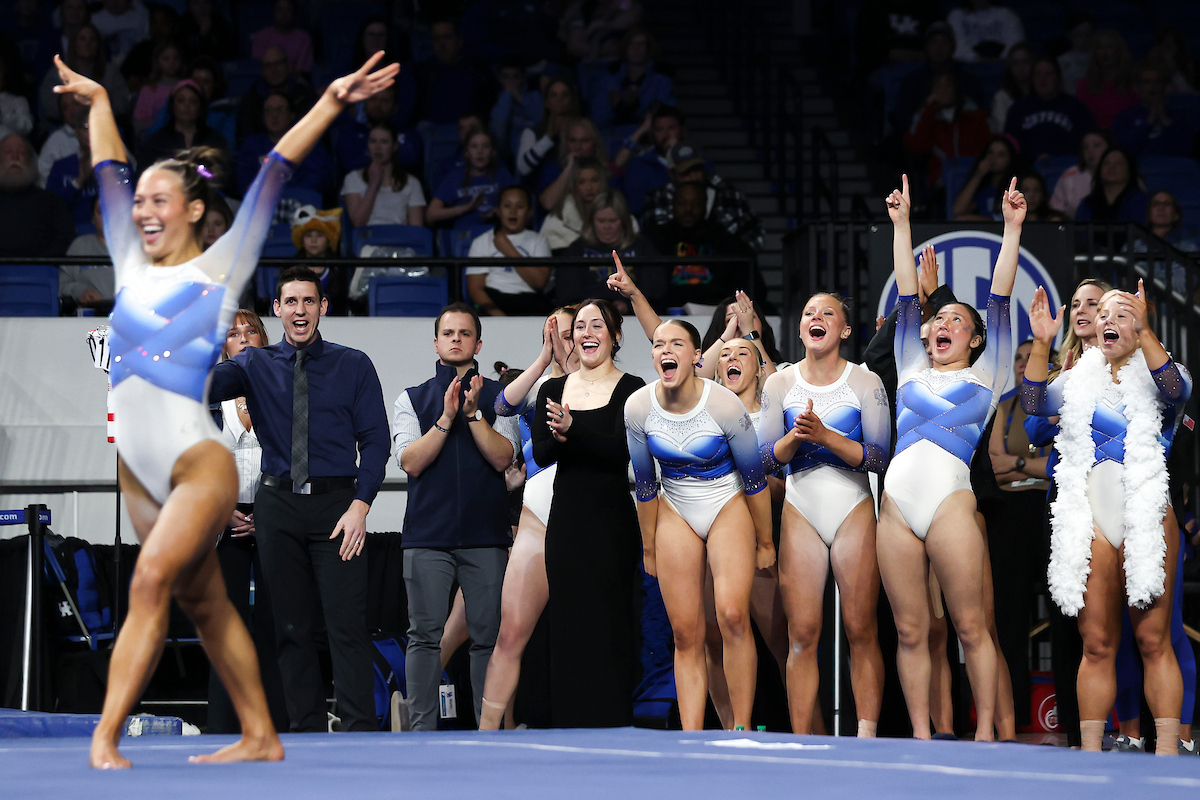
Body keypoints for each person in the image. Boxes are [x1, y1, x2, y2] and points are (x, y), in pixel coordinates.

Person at [53, 50, 398, 767]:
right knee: (207, 606)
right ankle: (261, 733)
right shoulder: (126, 250)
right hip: (138, 463)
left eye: (159, 200)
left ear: (197, 210)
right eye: (140, 201)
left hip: (194, 459)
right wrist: (100, 107)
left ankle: (105, 739)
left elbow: (275, 168)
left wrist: (333, 99)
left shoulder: (223, 266)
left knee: (150, 581)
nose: (142, 209)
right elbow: (111, 169)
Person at [881, 174, 1023, 740]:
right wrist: (902, 226)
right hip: (894, 506)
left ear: (975, 339)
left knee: (971, 627)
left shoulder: (989, 375)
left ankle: (985, 734)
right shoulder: (911, 364)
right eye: (938, 319)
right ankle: (920, 735)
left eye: (955, 321)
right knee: (912, 632)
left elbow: (1001, 296)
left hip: (950, 504)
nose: (941, 324)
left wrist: (1012, 227)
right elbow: (906, 294)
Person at [1022, 279, 1191, 754]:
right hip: (1090, 523)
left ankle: (1165, 753)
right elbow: (1033, 406)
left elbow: (1176, 390)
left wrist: (1146, 332)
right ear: (1093, 327)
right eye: (1106, 315)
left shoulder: (1162, 373)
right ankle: (1092, 753)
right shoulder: (1077, 379)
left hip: (1148, 518)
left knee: (1154, 641)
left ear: (1139, 324)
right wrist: (1040, 344)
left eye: (1123, 313)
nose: (1111, 321)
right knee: (1096, 644)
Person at [625, 319, 773, 731]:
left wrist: (765, 540)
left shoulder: (724, 404)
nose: (665, 350)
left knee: (731, 615)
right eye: (658, 344)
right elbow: (646, 485)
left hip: (727, 502)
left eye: (676, 343)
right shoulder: (637, 407)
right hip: (674, 506)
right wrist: (649, 548)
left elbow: (755, 478)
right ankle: (691, 737)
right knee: (687, 632)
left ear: (696, 356)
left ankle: (740, 729)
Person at [758, 293, 889, 736]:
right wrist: (796, 439)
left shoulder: (865, 382)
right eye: (808, 312)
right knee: (802, 635)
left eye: (827, 313)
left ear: (845, 331)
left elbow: (879, 458)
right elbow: (763, 462)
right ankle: (802, 741)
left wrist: (827, 437)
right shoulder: (779, 384)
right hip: (801, 507)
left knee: (860, 628)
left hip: (852, 504)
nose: (816, 318)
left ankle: (866, 739)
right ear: (800, 329)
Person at [393, 303, 520, 730]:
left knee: (489, 640)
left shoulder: (501, 397)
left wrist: (472, 414)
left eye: (465, 333)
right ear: (436, 342)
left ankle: (490, 732)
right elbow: (409, 461)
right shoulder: (411, 397)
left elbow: (505, 458)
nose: (456, 339)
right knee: (424, 638)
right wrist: (447, 417)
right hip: (427, 536)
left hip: (486, 535)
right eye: (448, 333)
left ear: (478, 343)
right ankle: (420, 731)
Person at [531, 298, 646, 726]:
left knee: (610, 622)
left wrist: (573, 429)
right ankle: (568, 721)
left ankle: (614, 719)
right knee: (568, 622)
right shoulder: (551, 389)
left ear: (615, 336)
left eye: (598, 325)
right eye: (580, 326)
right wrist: (561, 434)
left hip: (610, 520)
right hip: (566, 521)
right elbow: (542, 453)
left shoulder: (633, 386)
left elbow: (623, 451)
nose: (587, 333)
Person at [478, 309, 579, 730]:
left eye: (570, 333)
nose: (562, 340)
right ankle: (487, 734)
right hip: (537, 513)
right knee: (511, 632)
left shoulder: (610, 384)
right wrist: (544, 357)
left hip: (587, 513)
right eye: (550, 333)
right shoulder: (539, 384)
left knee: (581, 636)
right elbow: (502, 402)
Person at [206, 309, 288, 736]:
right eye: (233, 333)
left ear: (263, 337)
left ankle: (280, 722)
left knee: (278, 627)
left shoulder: (285, 386)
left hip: (277, 516)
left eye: (250, 330)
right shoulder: (207, 396)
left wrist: (268, 515)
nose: (242, 337)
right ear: (224, 346)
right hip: (223, 522)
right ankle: (223, 726)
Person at [646, 181, 757, 308]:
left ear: (705, 206)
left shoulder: (725, 240)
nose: (688, 209)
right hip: (667, 310)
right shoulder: (657, 238)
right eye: (682, 203)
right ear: (673, 205)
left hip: (716, 309)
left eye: (696, 204)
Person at [642, 142, 765, 254]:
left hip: (723, 272)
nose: (693, 177)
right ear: (672, 174)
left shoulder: (728, 194)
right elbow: (651, 242)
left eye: (697, 170)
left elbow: (754, 232)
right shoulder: (658, 198)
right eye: (686, 173)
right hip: (672, 272)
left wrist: (737, 256)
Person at [559, 189, 664, 310]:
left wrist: (628, 305)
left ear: (624, 221)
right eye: (601, 221)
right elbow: (567, 294)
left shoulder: (643, 247)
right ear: (592, 221)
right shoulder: (576, 250)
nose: (607, 226)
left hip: (634, 316)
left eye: (613, 220)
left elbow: (655, 290)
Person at [466, 185, 552, 316]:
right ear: (498, 211)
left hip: (529, 303)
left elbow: (539, 281)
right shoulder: (481, 241)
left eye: (520, 207)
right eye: (507, 206)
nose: (513, 212)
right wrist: (500, 318)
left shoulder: (539, 241)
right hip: (494, 303)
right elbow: (475, 289)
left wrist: (509, 250)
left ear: (529, 212)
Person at [903, 70, 993, 191]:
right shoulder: (924, 116)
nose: (943, 91)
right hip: (941, 180)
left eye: (948, 86)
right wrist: (929, 110)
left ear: (956, 90)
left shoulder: (974, 114)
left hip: (974, 173)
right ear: (931, 92)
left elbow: (989, 143)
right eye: (938, 87)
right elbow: (917, 147)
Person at [238, 90, 334, 200]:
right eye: (269, 110)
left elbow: (318, 180)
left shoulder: (309, 143)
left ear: (291, 115)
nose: (274, 115)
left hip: (301, 203)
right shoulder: (252, 145)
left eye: (280, 110)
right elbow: (244, 180)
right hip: (262, 205)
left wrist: (284, 193)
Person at [137, 80, 232, 182]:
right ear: (173, 106)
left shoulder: (215, 140)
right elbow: (144, 176)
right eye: (181, 101)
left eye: (193, 101)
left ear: (200, 107)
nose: (187, 106)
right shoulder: (156, 141)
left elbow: (226, 177)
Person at [39, 22, 130, 125]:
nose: (88, 43)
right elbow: (48, 105)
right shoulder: (58, 72)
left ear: (98, 45)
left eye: (93, 39)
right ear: (74, 44)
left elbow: (123, 104)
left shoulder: (111, 72)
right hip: (66, 128)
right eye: (82, 39)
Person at [1004, 58, 1095, 161]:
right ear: (1032, 78)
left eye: (1048, 74)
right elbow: (1010, 145)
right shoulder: (1018, 109)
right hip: (1027, 169)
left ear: (1057, 78)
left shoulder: (1076, 108)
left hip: (1067, 167)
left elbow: (1086, 143)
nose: (1042, 79)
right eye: (1038, 74)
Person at [341, 119, 426, 228]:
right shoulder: (352, 178)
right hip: (368, 241)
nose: (378, 147)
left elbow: (416, 230)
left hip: (401, 241)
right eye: (373, 141)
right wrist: (373, 184)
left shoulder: (412, 183)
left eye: (384, 141)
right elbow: (358, 223)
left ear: (394, 146)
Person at [0, 133, 74, 257]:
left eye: (22, 153)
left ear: (30, 161)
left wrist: (38, 263)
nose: (15, 157)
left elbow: (66, 240)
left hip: (42, 271)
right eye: (8, 152)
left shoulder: (51, 201)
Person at [428, 127, 515, 231]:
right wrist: (467, 208)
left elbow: (520, 209)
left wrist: (498, 212)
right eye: (474, 146)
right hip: (464, 237)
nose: (480, 151)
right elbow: (431, 215)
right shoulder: (455, 177)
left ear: (492, 151)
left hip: (496, 234)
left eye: (485, 146)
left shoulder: (502, 175)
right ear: (467, 152)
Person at [589, 28, 675, 130]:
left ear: (648, 48)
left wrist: (634, 105)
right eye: (631, 44)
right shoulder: (608, 81)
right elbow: (598, 119)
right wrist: (617, 107)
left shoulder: (661, 81)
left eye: (641, 44)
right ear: (625, 48)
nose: (636, 49)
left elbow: (664, 119)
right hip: (612, 138)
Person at [414, 18, 489, 125]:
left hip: (468, 131)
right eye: (436, 38)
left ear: (459, 41)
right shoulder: (422, 73)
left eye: (447, 37)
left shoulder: (478, 72)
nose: (442, 44)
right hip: (432, 132)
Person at [1111, 63, 1196, 159]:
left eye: (1158, 82)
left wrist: (1165, 120)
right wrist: (1148, 122)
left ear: (1164, 87)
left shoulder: (1177, 117)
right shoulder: (1124, 116)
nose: (1153, 86)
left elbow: (1186, 149)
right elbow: (1125, 150)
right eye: (1147, 82)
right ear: (1137, 87)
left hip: (1172, 170)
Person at [236, 46, 314, 143]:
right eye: (268, 65)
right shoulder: (250, 101)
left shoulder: (306, 97)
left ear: (289, 66)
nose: (274, 70)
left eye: (278, 63)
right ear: (262, 71)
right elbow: (245, 140)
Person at [536, 117, 612, 214]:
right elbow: (548, 203)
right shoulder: (553, 169)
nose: (578, 147)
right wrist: (569, 168)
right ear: (566, 143)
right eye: (572, 141)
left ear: (595, 144)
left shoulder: (604, 172)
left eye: (584, 141)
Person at [539, 156, 610, 251]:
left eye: (594, 180)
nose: (589, 187)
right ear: (573, 185)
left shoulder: (620, 216)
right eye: (582, 182)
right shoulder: (556, 221)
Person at [514, 77, 578, 181]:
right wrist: (548, 138)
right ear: (546, 102)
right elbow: (523, 169)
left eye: (565, 95)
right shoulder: (532, 133)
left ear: (572, 100)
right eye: (554, 95)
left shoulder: (583, 131)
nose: (559, 99)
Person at [289, 205, 349, 315]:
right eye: (308, 235)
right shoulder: (291, 270)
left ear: (328, 240)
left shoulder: (338, 270)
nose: (313, 240)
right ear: (302, 240)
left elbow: (341, 306)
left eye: (319, 235)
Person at [1076, 29, 1138, 130]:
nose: (1105, 52)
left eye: (1110, 46)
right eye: (1100, 47)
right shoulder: (1084, 86)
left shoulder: (1132, 85)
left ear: (1118, 51)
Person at [61, 196, 114, 311]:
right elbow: (62, 284)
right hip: (88, 315)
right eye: (101, 212)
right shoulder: (80, 246)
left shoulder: (139, 248)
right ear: (93, 219)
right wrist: (82, 292)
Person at [1049, 130, 1113, 218]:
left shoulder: (1122, 172)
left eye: (1097, 145)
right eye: (1086, 147)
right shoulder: (1070, 175)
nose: (1090, 151)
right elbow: (1055, 209)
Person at [1074, 146, 1147, 222]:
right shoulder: (1086, 205)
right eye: (1106, 163)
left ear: (1129, 169)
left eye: (1119, 163)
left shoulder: (1141, 203)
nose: (1111, 167)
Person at [131, 39, 186, 139]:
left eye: (176, 58)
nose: (171, 63)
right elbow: (139, 122)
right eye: (166, 58)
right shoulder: (149, 89)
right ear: (158, 61)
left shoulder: (187, 87)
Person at [946, 0, 1024, 63]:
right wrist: (975, 59)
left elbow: (1015, 43)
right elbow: (957, 47)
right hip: (970, 67)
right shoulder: (957, 16)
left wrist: (1000, 60)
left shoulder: (1007, 15)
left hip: (1003, 66)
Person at [250, 0, 313, 74]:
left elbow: (302, 69)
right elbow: (258, 66)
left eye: (288, 10)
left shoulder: (304, 38)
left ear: (294, 12)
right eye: (280, 10)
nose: (284, 14)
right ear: (273, 12)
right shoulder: (262, 36)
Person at [990, 42, 1034, 133]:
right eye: (1015, 63)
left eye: (1025, 62)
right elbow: (1002, 130)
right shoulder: (1001, 97)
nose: (1021, 67)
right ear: (1009, 67)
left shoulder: (1042, 94)